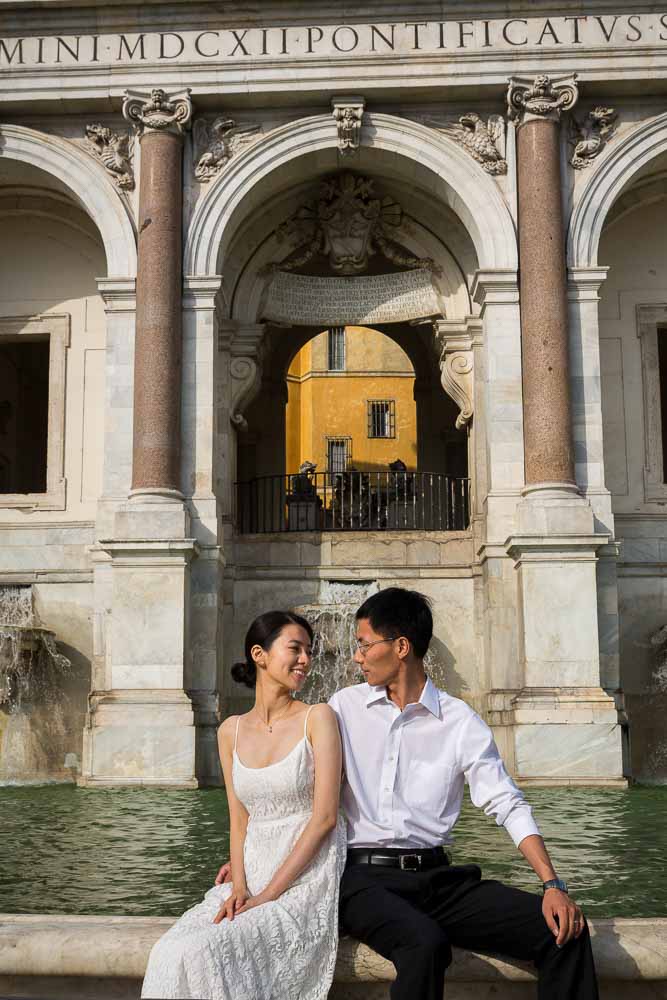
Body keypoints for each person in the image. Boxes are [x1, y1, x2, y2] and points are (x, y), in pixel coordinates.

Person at [329, 587, 599, 999]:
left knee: (564, 932)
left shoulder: (459, 721)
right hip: (363, 880)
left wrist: (552, 885)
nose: (357, 656)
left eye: (364, 645)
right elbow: (302, 788)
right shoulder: (342, 707)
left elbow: (506, 801)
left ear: (401, 647)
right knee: (424, 943)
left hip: (438, 880)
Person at [141, 610, 346, 1000]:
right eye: (295, 648)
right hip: (250, 875)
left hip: (304, 880)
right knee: (168, 951)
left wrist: (266, 896)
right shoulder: (229, 731)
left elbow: (324, 819)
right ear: (259, 654)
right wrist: (239, 886)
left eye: (309, 651)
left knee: (202, 951)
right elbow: (239, 820)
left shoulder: (318, 718)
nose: (306, 659)